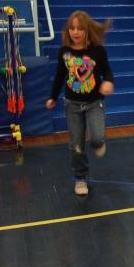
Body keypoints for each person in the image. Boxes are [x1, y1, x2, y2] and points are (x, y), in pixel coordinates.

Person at [46, 11, 114, 197]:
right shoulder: (64, 53)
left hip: (94, 103)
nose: (75, 32)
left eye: (80, 28)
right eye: (72, 28)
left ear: (87, 30)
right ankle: (80, 178)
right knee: (76, 145)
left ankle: (98, 141)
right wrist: (52, 97)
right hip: (72, 104)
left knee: (97, 138)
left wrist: (108, 82)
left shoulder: (97, 51)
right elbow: (60, 76)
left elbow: (107, 72)